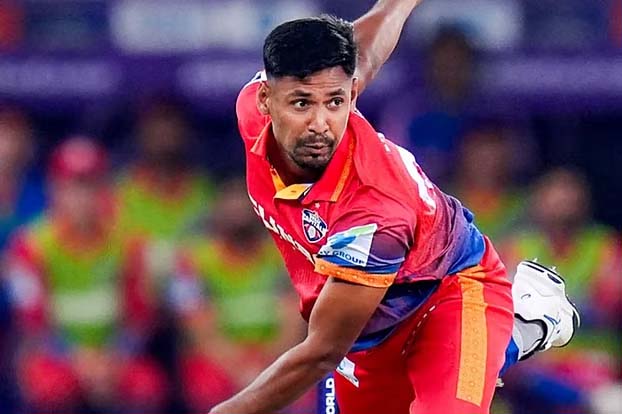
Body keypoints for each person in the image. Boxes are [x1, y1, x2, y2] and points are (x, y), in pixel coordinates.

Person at [210, 2, 579, 413]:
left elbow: (322, 352)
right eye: (301, 104)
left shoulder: (374, 212)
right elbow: (362, 52)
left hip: (448, 291)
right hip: (368, 324)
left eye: (335, 102)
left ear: (351, 95)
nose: (320, 124)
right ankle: (520, 329)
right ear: (265, 99)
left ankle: (519, 327)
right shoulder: (253, 112)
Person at [4, 138, 171, 413]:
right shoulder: (29, 247)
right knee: (49, 387)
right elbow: (33, 323)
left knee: (147, 385)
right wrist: (78, 361)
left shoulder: (130, 245)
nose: (83, 198)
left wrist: (112, 359)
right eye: (73, 187)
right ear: (55, 189)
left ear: (104, 190)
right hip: (55, 356)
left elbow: (140, 317)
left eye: (91, 186)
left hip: (116, 357)